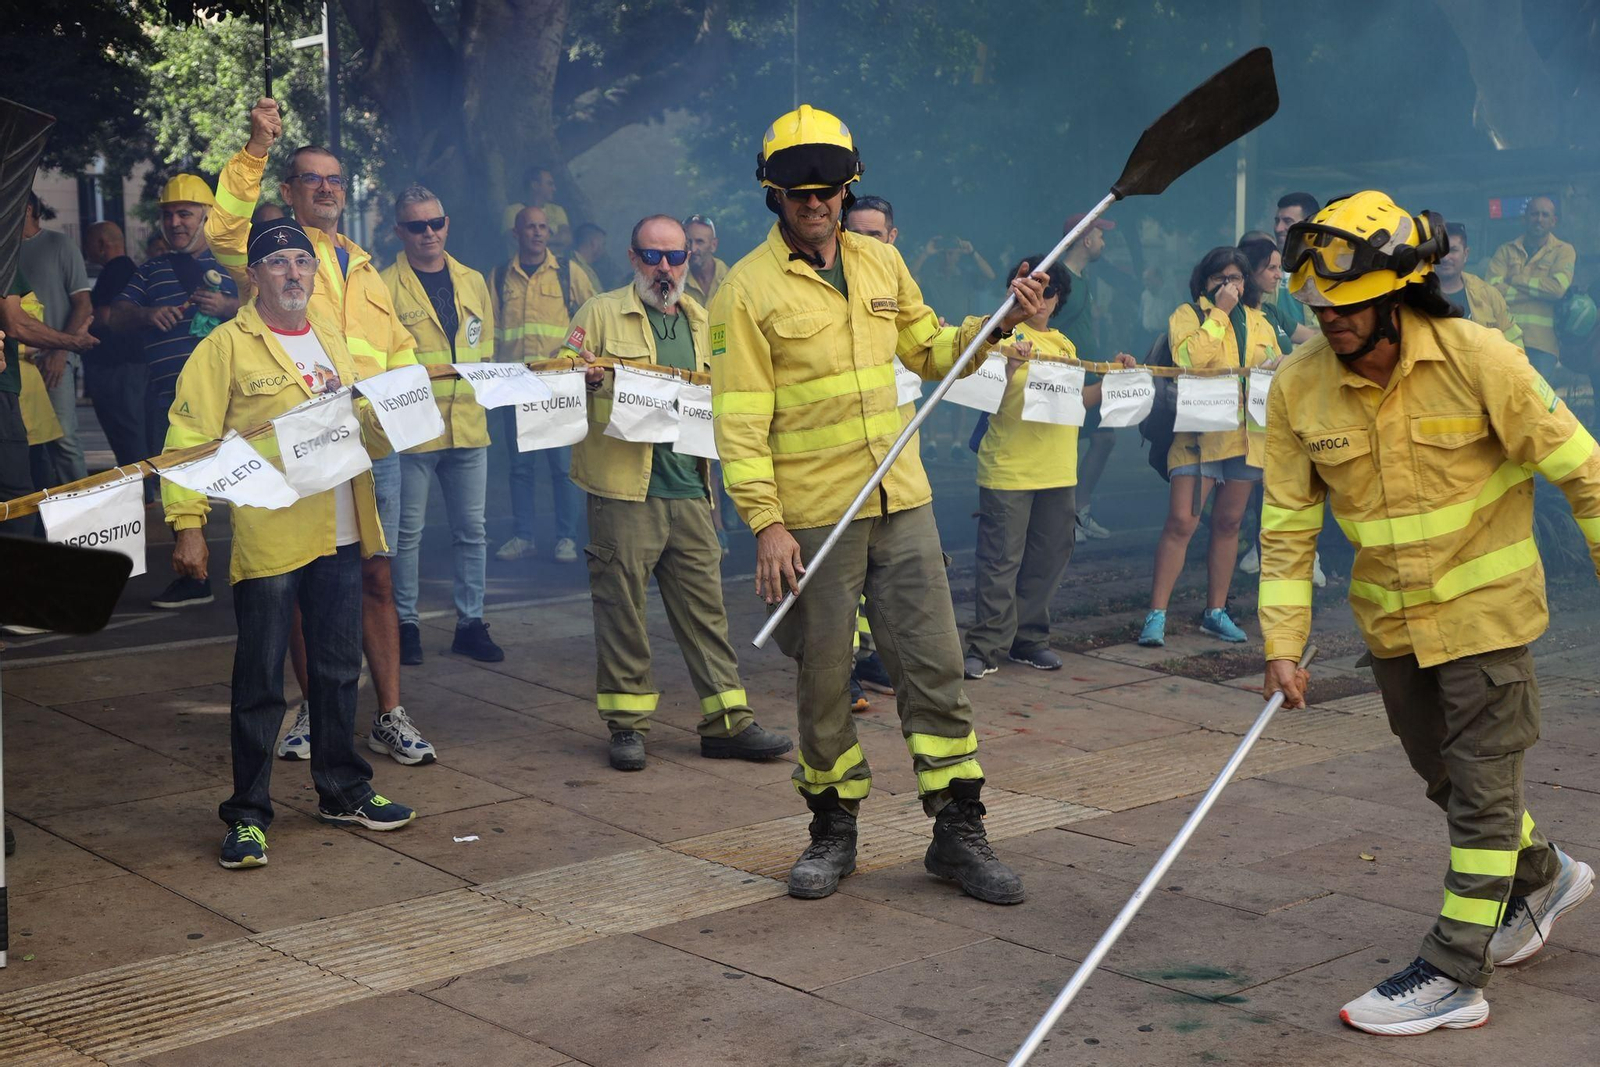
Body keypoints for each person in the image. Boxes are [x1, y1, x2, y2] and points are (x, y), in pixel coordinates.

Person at [1261, 190, 1598, 1036]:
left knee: (1482, 791)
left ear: (1400, 292)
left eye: (1346, 306)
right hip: (1392, 626)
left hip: (1487, 619)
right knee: (1443, 778)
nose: (1329, 321)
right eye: (1318, 307)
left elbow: (1584, 470)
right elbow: (1287, 529)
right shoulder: (1298, 388)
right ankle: (1545, 873)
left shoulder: (1481, 356)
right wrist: (1281, 645)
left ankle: (1453, 969)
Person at [711, 104, 1043, 904]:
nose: (814, 203)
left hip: (902, 499)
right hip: (814, 518)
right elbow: (739, 422)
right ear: (773, 196)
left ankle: (958, 829)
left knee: (936, 667)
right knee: (825, 681)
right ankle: (833, 830)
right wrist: (766, 521)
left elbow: (930, 349)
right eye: (798, 192)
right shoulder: (744, 292)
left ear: (847, 188)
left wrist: (994, 324)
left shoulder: (881, 265)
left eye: (827, 189)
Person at [163, 218, 416, 870]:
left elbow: (361, 425)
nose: (293, 273)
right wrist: (187, 524)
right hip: (272, 534)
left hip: (340, 528)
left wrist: (394, 416)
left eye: (302, 262)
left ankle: (343, 788)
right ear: (254, 275)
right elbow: (187, 439)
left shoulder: (330, 336)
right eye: (278, 263)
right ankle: (247, 814)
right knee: (260, 682)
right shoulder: (226, 347)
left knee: (336, 671)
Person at [209, 98, 421, 766]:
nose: (327, 188)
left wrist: (407, 409)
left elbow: (399, 347)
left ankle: (389, 712)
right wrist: (255, 148)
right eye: (313, 179)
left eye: (335, 179)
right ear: (289, 191)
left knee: (377, 578)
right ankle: (312, 710)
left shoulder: (365, 265)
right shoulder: (268, 251)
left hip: (365, 446)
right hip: (297, 447)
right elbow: (221, 228)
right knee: (304, 582)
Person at [569, 214, 791, 771]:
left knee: (706, 610)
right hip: (623, 490)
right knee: (623, 610)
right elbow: (561, 371)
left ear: (690, 261)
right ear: (632, 257)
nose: (665, 268)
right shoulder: (599, 311)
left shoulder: (706, 320)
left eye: (676, 257)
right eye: (653, 256)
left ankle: (728, 721)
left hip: (692, 488)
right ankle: (626, 727)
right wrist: (584, 375)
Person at [964, 257, 1133, 681]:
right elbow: (979, 395)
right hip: (1010, 469)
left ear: (1059, 301)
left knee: (1048, 559)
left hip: (1059, 470)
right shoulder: (995, 334)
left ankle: (1029, 639)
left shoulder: (1065, 346)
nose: (1041, 298)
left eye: (1050, 290)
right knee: (1001, 562)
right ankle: (985, 647)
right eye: (1032, 286)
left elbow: (1075, 403)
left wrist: (1113, 376)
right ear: (1013, 289)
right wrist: (1010, 364)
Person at [380, 183, 504, 688]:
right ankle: (404, 625)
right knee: (406, 536)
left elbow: (486, 351)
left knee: (472, 532)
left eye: (436, 223)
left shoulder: (473, 280)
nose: (429, 233)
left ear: (447, 223)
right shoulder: (383, 285)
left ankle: (469, 622)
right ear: (400, 231)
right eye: (417, 225)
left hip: (469, 424)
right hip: (414, 429)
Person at [1137, 246, 1277, 649]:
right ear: (1206, 280)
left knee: (1230, 523)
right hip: (1197, 437)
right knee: (1182, 521)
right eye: (1222, 278)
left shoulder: (1259, 321)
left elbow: (1272, 364)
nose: (1231, 285)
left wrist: (1277, 365)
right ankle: (1156, 614)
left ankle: (1215, 612)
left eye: (1237, 278)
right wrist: (1218, 313)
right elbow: (1188, 360)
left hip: (1246, 436)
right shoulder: (1188, 315)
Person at [111, 174, 241, 601]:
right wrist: (147, 315)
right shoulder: (150, 270)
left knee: (245, 479)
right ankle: (194, 576)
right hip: (170, 398)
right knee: (176, 480)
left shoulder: (234, 264)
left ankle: (257, 566)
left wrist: (227, 306)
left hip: (235, 396)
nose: (175, 223)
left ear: (207, 216)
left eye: (185, 213)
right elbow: (116, 316)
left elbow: (267, 309)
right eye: (168, 215)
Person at [492, 203, 596, 563]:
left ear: (549, 234)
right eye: (529, 227)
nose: (536, 232)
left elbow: (591, 318)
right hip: (515, 385)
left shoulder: (569, 272)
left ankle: (566, 537)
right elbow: (492, 331)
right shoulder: (501, 275)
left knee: (561, 466)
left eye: (542, 227)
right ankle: (524, 536)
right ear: (516, 234)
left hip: (558, 385)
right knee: (520, 467)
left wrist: (575, 358)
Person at [1234, 236, 1323, 584]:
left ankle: (1302, 555)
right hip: (1251, 417)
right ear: (1251, 271)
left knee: (1288, 484)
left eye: (1278, 267)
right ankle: (1264, 550)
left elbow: (1308, 335)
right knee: (1259, 488)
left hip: (1283, 411)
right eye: (1270, 268)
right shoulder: (1236, 314)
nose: (1277, 275)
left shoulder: (1272, 311)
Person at [1, 271, 97, 532]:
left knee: (38, 476)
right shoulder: (4, 260)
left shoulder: (15, 273)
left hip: (26, 405)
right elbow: (18, 325)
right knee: (18, 496)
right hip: (8, 402)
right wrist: (71, 342)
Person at [18, 192, 93, 484]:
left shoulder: (59, 244)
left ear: (25, 209)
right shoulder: (5, 251)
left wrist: (61, 353)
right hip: (15, 364)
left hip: (54, 360)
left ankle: (82, 513)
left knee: (63, 439)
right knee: (22, 443)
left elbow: (84, 304)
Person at [1058, 212, 1118, 543]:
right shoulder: (1059, 278)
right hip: (1069, 378)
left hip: (1090, 373)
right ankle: (1066, 519)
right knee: (1066, 443)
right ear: (1086, 239)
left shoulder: (1082, 278)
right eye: (1101, 235)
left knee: (1104, 438)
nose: (1104, 242)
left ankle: (1078, 511)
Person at [908, 232, 995, 458]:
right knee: (929, 393)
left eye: (952, 251)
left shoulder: (966, 276)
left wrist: (972, 252)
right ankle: (931, 443)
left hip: (960, 337)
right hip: (933, 336)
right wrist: (927, 253)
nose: (949, 256)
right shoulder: (930, 276)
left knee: (959, 394)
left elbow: (990, 275)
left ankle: (957, 443)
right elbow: (909, 277)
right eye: (946, 251)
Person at [1487, 197, 1575, 379]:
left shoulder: (1564, 251)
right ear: (1524, 218)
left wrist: (1516, 280)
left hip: (1542, 345)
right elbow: (1490, 291)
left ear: (1553, 221)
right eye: (1534, 214)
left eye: (1545, 215)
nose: (1539, 219)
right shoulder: (1505, 250)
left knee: (1538, 404)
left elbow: (1557, 289)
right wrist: (1540, 291)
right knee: (1505, 402)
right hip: (1505, 340)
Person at [83, 222, 147, 468]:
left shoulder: (118, 271)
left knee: (127, 430)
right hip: (123, 364)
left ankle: (145, 491)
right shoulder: (128, 270)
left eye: (88, 242)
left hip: (119, 366)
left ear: (100, 244)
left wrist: (86, 317)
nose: (85, 249)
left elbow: (109, 314)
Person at [1436, 223, 1522, 346]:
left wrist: (1519, 364)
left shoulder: (1488, 295)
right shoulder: (1416, 296)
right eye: (1440, 250)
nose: (1445, 258)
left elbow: (1513, 340)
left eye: (1453, 250)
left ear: (1465, 254)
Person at [523, 164, 572, 252]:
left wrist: (538, 240)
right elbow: (520, 242)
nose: (554, 189)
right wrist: (555, 241)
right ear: (535, 185)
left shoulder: (557, 210)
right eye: (550, 184)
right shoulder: (514, 211)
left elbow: (566, 238)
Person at [682, 214, 727, 308]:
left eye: (700, 242)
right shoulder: (676, 281)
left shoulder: (732, 279)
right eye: (688, 242)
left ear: (713, 245)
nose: (693, 249)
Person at [570, 222, 606, 293]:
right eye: (603, 244)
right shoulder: (577, 269)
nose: (604, 249)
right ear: (594, 244)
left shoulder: (581, 267)